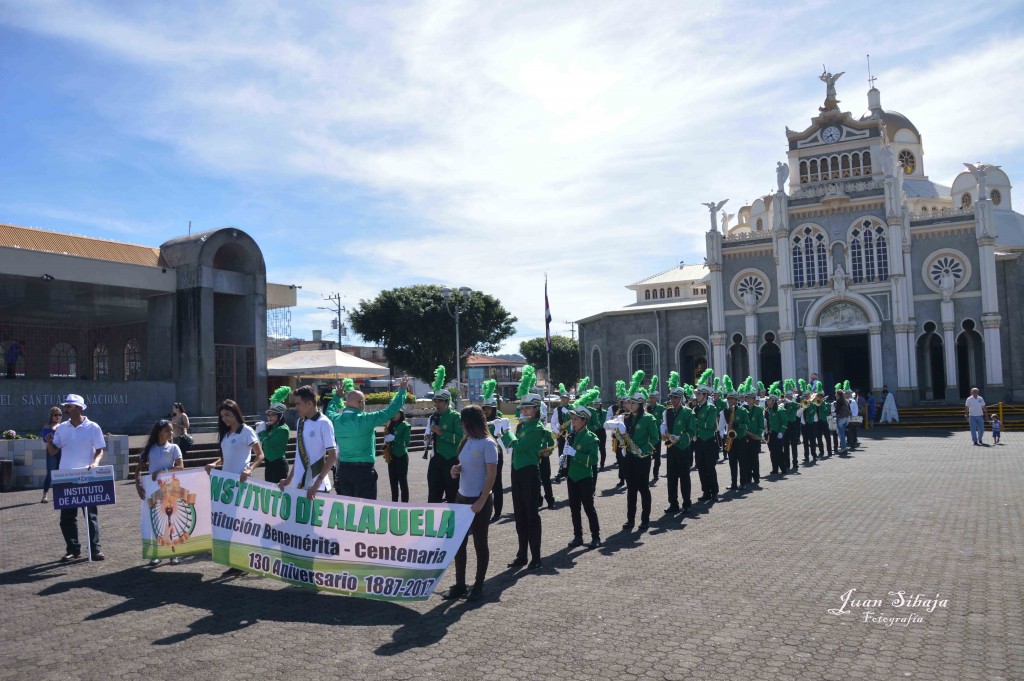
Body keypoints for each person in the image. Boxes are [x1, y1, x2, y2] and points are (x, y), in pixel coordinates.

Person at [443, 405, 498, 602]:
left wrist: (482, 500)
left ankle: (478, 585)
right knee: (459, 543)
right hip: (461, 497)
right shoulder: (467, 441)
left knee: (480, 543)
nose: (462, 426)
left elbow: (491, 476)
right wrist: (456, 469)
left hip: (479, 500)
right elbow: (465, 465)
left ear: (472, 422)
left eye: (464, 422)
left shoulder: (488, 444)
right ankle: (460, 585)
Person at [326, 377, 409, 500]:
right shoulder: (366, 419)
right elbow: (391, 410)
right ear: (360, 403)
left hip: (344, 470)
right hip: (363, 471)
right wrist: (402, 390)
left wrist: (336, 397)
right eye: (364, 402)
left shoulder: (335, 419)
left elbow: (329, 411)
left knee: (349, 509)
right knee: (367, 510)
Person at [499, 390, 553, 570]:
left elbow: (520, 446)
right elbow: (511, 447)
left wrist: (506, 432)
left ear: (537, 409)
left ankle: (536, 557)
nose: (524, 411)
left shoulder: (537, 428)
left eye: (528, 408)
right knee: (520, 516)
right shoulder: (522, 426)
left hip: (529, 473)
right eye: (523, 408)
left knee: (531, 516)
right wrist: (502, 432)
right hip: (516, 472)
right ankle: (521, 555)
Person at [49, 394, 106, 562]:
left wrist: (95, 463)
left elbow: (100, 449)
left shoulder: (93, 427)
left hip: (86, 476)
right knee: (67, 517)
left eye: (70, 406)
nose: (66, 409)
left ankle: (95, 549)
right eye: (66, 406)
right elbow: (53, 451)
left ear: (80, 408)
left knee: (90, 515)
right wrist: (49, 442)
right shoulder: (62, 428)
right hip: (66, 477)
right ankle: (73, 549)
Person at [134, 419, 185, 565]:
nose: (171, 433)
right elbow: (138, 469)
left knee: (171, 519)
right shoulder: (150, 449)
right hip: (153, 489)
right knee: (155, 520)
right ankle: (156, 553)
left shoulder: (174, 448)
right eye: (167, 430)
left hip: (170, 488)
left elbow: (180, 467)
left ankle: (173, 552)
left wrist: (163, 471)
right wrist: (138, 485)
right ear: (159, 432)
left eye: (171, 430)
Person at [614, 375, 658, 531]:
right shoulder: (625, 418)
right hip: (629, 457)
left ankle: (645, 519)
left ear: (640, 404)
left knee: (643, 488)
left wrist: (643, 449)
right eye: (629, 402)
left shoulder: (649, 418)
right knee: (631, 489)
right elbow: (619, 435)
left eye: (633, 403)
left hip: (643, 457)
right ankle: (630, 519)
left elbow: (655, 438)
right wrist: (618, 436)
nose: (629, 405)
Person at [278, 385, 337, 498]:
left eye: (298, 404)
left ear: (309, 403)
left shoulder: (324, 423)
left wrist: (317, 483)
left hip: (317, 488)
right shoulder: (300, 422)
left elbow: (333, 456)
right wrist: (289, 479)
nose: (296, 407)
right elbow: (299, 455)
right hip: (299, 485)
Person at [565, 405, 601, 547]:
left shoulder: (591, 438)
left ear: (584, 421)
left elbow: (593, 460)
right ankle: (578, 536)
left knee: (588, 508)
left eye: (575, 419)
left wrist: (575, 453)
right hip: (572, 476)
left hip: (584, 477)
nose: (572, 422)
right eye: (572, 419)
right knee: (574, 508)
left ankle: (596, 537)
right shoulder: (571, 435)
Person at [420, 388, 463, 503]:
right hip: (436, 459)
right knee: (433, 495)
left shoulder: (456, 417)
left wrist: (442, 433)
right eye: (436, 401)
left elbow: (461, 439)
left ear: (447, 402)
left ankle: (453, 520)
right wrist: (428, 438)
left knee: (452, 494)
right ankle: (435, 520)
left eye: (440, 401)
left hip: (451, 460)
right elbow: (429, 435)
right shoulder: (433, 417)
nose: (437, 404)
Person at [206, 399, 264, 482]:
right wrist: (215, 463)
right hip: (226, 480)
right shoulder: (225, 434)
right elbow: (227, 456)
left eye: (227, 415)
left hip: (241, 480)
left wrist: (249, 470)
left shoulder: (247, 431)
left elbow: (260, 454)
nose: (224, 418)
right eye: (222, 416)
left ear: (236, 413)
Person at [662, 383, 696, 513]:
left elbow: (692, 431)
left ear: (681, 398)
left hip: (683, 448)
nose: (673, 400)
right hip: (671, 448)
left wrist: (679, 438)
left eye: (676, 398)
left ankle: (687, 503)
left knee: (684, 477)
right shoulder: (667, 412)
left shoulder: (688, 412)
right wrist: (664, 431)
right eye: (671, 397)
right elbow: (664, 425)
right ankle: (673, 503)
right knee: (671, 477)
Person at [692, 371, 722, 502]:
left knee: (710, 467)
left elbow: (709, 425)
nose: (696, 396)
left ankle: (714, 491)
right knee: (701, 467)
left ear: (704, 395)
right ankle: (706, 491)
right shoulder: (695, 409)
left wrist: (696, 422)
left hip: (709, 441)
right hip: (698, 441)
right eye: (696, 394)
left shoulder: (711, 408)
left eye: (698, 394)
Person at [481, 380, 507, 520]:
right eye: (484, 409)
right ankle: (485, 509)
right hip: (482, 456)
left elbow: (503, 437)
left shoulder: (498, 420)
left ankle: (497, 511)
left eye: (489, 409)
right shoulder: (481, 421)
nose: (486, 412)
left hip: (497, 455)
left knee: (497, 483)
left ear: (494, 409)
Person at [257, 394, 291, 485]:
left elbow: (269, 444)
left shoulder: (283, 429)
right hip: (268, 464)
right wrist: (259, 431)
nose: (269, 417)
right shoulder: (270, 427)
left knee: (279, 495)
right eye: (268, 414)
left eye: (273, 414)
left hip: (278, 464)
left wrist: (262, 432)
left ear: (279, 416)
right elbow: (262, 444)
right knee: (269, 493)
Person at [384, 410, 411, 502]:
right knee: (393, 482)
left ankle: (405, 503)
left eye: (397, 412)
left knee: (403, 482)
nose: (394, 415)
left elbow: (406, 442)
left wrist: (394, 438)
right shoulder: (390, 424)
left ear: (401, 413)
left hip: (401, 456)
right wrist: (386, 441)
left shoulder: (405, 426)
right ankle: (394, 502)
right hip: (391, 457)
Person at [40, 406, 62, 503]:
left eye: (59, 415)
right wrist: (49, 438)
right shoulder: (47, 426)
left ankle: (57, 494)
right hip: (51, 451)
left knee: (59, 473)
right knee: (50, 472)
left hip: (62, 451)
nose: (58, 417)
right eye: (55, 415)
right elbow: (45, 438)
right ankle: (45, 494)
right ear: (51, 416)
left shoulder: (63, 426)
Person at [549, 388, 572, 483]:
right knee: (561, 453)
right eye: (562, 398)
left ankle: (569, 471)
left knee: (570, 453)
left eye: (565, 398)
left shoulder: (573, 408)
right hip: (561, 434)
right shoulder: (557, 409)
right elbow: (553, 422)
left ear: (568, 399)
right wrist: (557, 431)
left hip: (571, 434)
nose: (563, 399)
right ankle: (562, 471)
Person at [647, 388, 666, 482]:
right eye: (650, 397)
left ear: (657, 398)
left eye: (653, 397)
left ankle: (656, 473)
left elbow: (664, 420)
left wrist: (654, 419)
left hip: (656, 433)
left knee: (657, 454)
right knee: (647, 453)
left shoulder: (661, 408)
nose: (651, 399)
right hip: (647, 434)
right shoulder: (647, 408)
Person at [833, 387, 852, 455]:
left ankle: (844, 448)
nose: (835, 395)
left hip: (841, 418)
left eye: (836, 394)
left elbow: (837, 409)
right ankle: (844, 446)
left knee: (841, 434)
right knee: (842, 433)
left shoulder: (839, 400)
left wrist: (832, 411)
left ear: (838, 394)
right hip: (847, 418)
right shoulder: (845, 400)